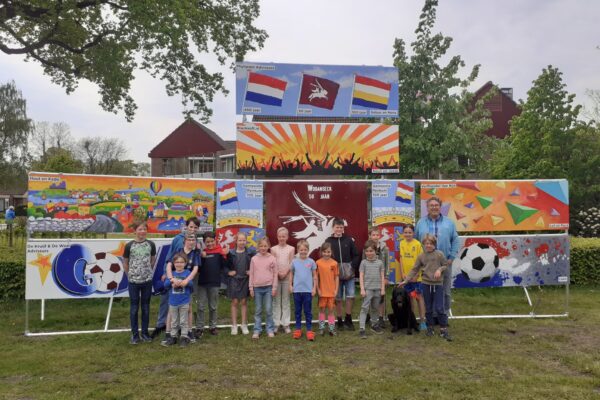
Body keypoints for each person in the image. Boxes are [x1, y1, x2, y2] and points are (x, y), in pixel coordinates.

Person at [152, 217, 201, 339]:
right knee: (167, 301)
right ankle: (161, 325)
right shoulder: (177, 239)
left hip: (186, 278)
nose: (193, 229)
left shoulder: (198, 242)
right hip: (173, 276)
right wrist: (166, 274)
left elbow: (198, 260)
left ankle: (182, 328)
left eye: (195, 227)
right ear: (186, 227)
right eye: (191, 227)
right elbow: (169, 257)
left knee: (185, 303)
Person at [399, 234, 452, 341]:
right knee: (428, 307)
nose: (428, 246)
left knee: (439, 307)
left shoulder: (439, 254)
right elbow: (414, 269)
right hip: (425, 284)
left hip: (438, 285)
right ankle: (430, 328)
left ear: (434, 244)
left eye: (431, 244)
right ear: (423, 244)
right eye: (426, 243)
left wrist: (439, 270)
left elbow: (446, 265)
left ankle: (443, 329)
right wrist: (405, 280)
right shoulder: (421, 256)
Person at [415, 197, 459, 316]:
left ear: (440, 207)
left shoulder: (449, 223)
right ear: (427, 208)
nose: (434, 207)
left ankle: (443, 315)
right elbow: (416, 241)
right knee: (428, 291)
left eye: (436, 205)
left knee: (445, 291)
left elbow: (455, 240)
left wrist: (451, 257)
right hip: (426, 264)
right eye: (431, 205)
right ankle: (431, 315)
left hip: (444, 263)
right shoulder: (420, 223)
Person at [123, 221, 156, 344]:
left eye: (144, 229)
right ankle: (135, 335)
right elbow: (125, 263)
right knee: (134, 308)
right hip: (133, 282)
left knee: (146, 308)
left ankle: (145, 334)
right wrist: (130, 275)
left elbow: (152, 260)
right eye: (140, 229)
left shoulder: (151, 244)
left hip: (147, 281)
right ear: (135, 231)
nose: (142, 231)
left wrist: (147, 272)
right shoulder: (129, 245)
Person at [325, 217, 359, 331]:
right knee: (338, 298)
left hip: (349, 275)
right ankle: (339, 320)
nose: (339, 229)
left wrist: (352, 267)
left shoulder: (349, 240)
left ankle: (348, 319)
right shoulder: (328, 241)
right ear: (333, 228)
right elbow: (325, 257)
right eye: (337, 227)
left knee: (350, 296)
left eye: (341, 227)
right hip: (336, 276)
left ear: (343, 228)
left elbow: (356, 255)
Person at [165, 234, 200, 342]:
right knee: (172, 310)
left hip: (187, 282)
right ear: (184, 241)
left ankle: (187, 332)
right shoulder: (178, 250)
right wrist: (172, 279)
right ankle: (169, 333)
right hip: (174, 281)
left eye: (193, 239)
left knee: (188, 308)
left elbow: (195, 268)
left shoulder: (196, 253)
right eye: (189, 239)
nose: (191, 241)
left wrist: (186, 280)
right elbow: (169, 265)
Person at [162, 253, 194, 347]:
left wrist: (185, 283)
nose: (179, 264)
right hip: (173, 302)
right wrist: (172, 283)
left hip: (184, 301)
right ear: (173, 263)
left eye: (181, 262)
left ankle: (184, 337)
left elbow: (191, 286)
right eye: (177, 262)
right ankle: (173, 337)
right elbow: (165, 285)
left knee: (184, 321)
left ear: (185, 263)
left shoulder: (187, 273)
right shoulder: (172, 274)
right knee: (174, 321)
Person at [198, 231, 227, 336]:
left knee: (213, 306)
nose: (210, 244)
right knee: (201, 306)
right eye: (207, 242)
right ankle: (199, 327)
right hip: (202, 283)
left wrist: (225, 254)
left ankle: (213, 326)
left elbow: (224, 267)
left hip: (214, 283)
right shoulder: (202, 253)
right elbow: (198, 268)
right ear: (204, 243)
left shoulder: (220, 252)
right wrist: (201, 257)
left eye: (211, 241)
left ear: (215, 240)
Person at [398, 224, 426, 331]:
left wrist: (417, 275)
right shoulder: (401, 243)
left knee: (419, 298)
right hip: (406, 278)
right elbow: (401, 259)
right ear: (403, 233)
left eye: (410, 232)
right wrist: (403, 274)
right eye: (405, 232)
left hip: (416, 278)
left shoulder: (418, 244)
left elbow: (421, 262)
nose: (407, 234)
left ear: (413, 233)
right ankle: (412, 319)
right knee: (409, 299)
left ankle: (423, 320)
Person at [249, 237, 278, 339]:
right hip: (257, 288)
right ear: (258, 247)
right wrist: (251, 288)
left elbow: (275, 274)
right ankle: (257, 330)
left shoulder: (272, 258)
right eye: (261, 246)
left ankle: (270, 329)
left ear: (268, 246)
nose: (263, 248)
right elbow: (251, 274)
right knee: (258, 310)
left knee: (269, 309)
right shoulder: (254, 259)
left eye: (265, 246)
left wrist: (274, 288)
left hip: (269, 288)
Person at [227, 232, 255, 335]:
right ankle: (234, 325)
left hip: (245, 280)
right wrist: (228, 272)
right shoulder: (230, 253)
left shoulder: (250, 253)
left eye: (244, 240)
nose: (242, 242)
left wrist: (251, 270)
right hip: (234, 280)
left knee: (243, 302)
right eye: (240, 240)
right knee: (234, 302)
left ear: (246, 241)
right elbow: (224, 265)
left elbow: (257, 262)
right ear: (236, 241)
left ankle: (244, 324)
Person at [289, 240, 317, 341]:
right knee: (297, 311)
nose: (303, 251)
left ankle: (309, 330)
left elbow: (315, 276)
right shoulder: (294, 262)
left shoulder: (311, 262)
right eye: (301, 250)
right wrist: (290, 285)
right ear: (298, 250)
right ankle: (298, 329)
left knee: (308, 311)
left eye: (305, 249)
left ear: (308, 250)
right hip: (297, 291)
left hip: (308, 291)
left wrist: (314, 288)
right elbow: (291, 274)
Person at [362, 227, 389, 329]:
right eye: (373, 235)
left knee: (380, 298)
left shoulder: (384, 248)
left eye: (377, 235)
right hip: (369, 277)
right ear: (370, 236)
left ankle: (381, 318)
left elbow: (387, 264)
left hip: (381, 277)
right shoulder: (366, 248)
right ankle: (369, 317)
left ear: (380, 236)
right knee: (368, 298)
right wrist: (363, 278)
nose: (375, 237)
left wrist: (386, 277)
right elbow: (363, 263)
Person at [358, 240, 385, 338]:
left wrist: (382, 289)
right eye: (367, 251)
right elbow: (361, 276)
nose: (369, 253)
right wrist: (362, 289)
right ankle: (362, 328)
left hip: (377, 289)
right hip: (367, 289)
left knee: (375, 308)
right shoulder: (363, 263)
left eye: (371, 251)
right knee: (364, 308)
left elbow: (382, 276)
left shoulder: (380, 263)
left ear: (375, 251)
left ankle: (374, 325)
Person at [270, 227, 294, 334]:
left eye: (283, 236)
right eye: (280, 236)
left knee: (285, 301)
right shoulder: (273, 249)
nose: (281, 238)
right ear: (277, 237)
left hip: (287, 277)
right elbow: (273, 263)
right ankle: (276, 323)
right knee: (276, 301)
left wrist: (285, 273)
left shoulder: (291, 249)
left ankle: (286, 324)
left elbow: (291, 263)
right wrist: (278, 273)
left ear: (287, 237)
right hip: (276, 278)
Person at [316, 242, 339, 336]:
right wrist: (318, 289)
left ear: (331, 252)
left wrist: (336, 289)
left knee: (331, 311)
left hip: (331, 292)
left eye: (328, 252)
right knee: (321, 310)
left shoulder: (334, 263)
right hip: (322, 292)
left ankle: (331, 328)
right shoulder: (318, 263)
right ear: (321, 252)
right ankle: (321, 328)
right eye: (324, 252)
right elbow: (316, 278)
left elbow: (336, 277)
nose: (326, 254)